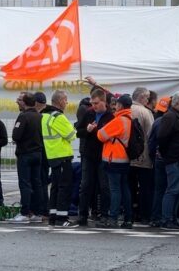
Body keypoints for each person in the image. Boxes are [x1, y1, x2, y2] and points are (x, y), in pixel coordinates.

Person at [96, 94, 135, 228]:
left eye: (117, 104)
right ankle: (128, 219)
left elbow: (101, 135)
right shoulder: (130, 118)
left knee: (115, 189)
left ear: (120, 106)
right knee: (125, 189)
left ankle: (113, 218)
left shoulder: (119, 120)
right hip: (125, 159)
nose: (114, 106)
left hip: (114, 160)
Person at [78, 88, 113, 226]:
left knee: (104, 186)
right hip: (89, 155)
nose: (94, 106)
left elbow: (112, 134)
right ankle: (83, 214)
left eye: (97, 103)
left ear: (104, 102)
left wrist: (98, 131)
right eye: (92, 103)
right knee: (86, 185)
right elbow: (78, 132)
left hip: (103, 155)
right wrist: (87, 131)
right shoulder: (88, 113)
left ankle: (104, 214)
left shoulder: (110, 116)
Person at [42, 90, 76, 227]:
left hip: (52, 156)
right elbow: (71, 135)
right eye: (66, 100)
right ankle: (62, 219)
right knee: (64, 188)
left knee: (55, 187)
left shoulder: (45, 116)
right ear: (61, 101)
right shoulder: (58, 117)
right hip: (62, 156)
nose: (67, 103)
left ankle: (53, 216)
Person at [157, 91, 179, 230]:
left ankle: (172, 218)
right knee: (173, 190)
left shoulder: (178, 117)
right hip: (174, 159)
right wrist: (168, 154)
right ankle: (166, 219)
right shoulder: (170, 117)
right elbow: (162, 137)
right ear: (176, 103)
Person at [9, 93, 45, 223]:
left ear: (24, 103)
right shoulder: (39, 116)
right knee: (37, 183)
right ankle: (37, 213)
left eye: (19, 100)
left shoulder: (23, 116)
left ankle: (25, 212)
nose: (18, 102)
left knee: (25, 183)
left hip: (25, 154)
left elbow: (16, 136)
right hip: (38, 153)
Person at [128, 87, 155, 224]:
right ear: (142, 97)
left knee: (130, 186)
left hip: (127, 156)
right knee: (146, 187)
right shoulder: (146, 112)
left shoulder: (126, 110)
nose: (148, 100)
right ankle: (145, 214)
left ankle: (130, 213)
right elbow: (151, 134)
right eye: (147, 97)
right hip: (143, 156)